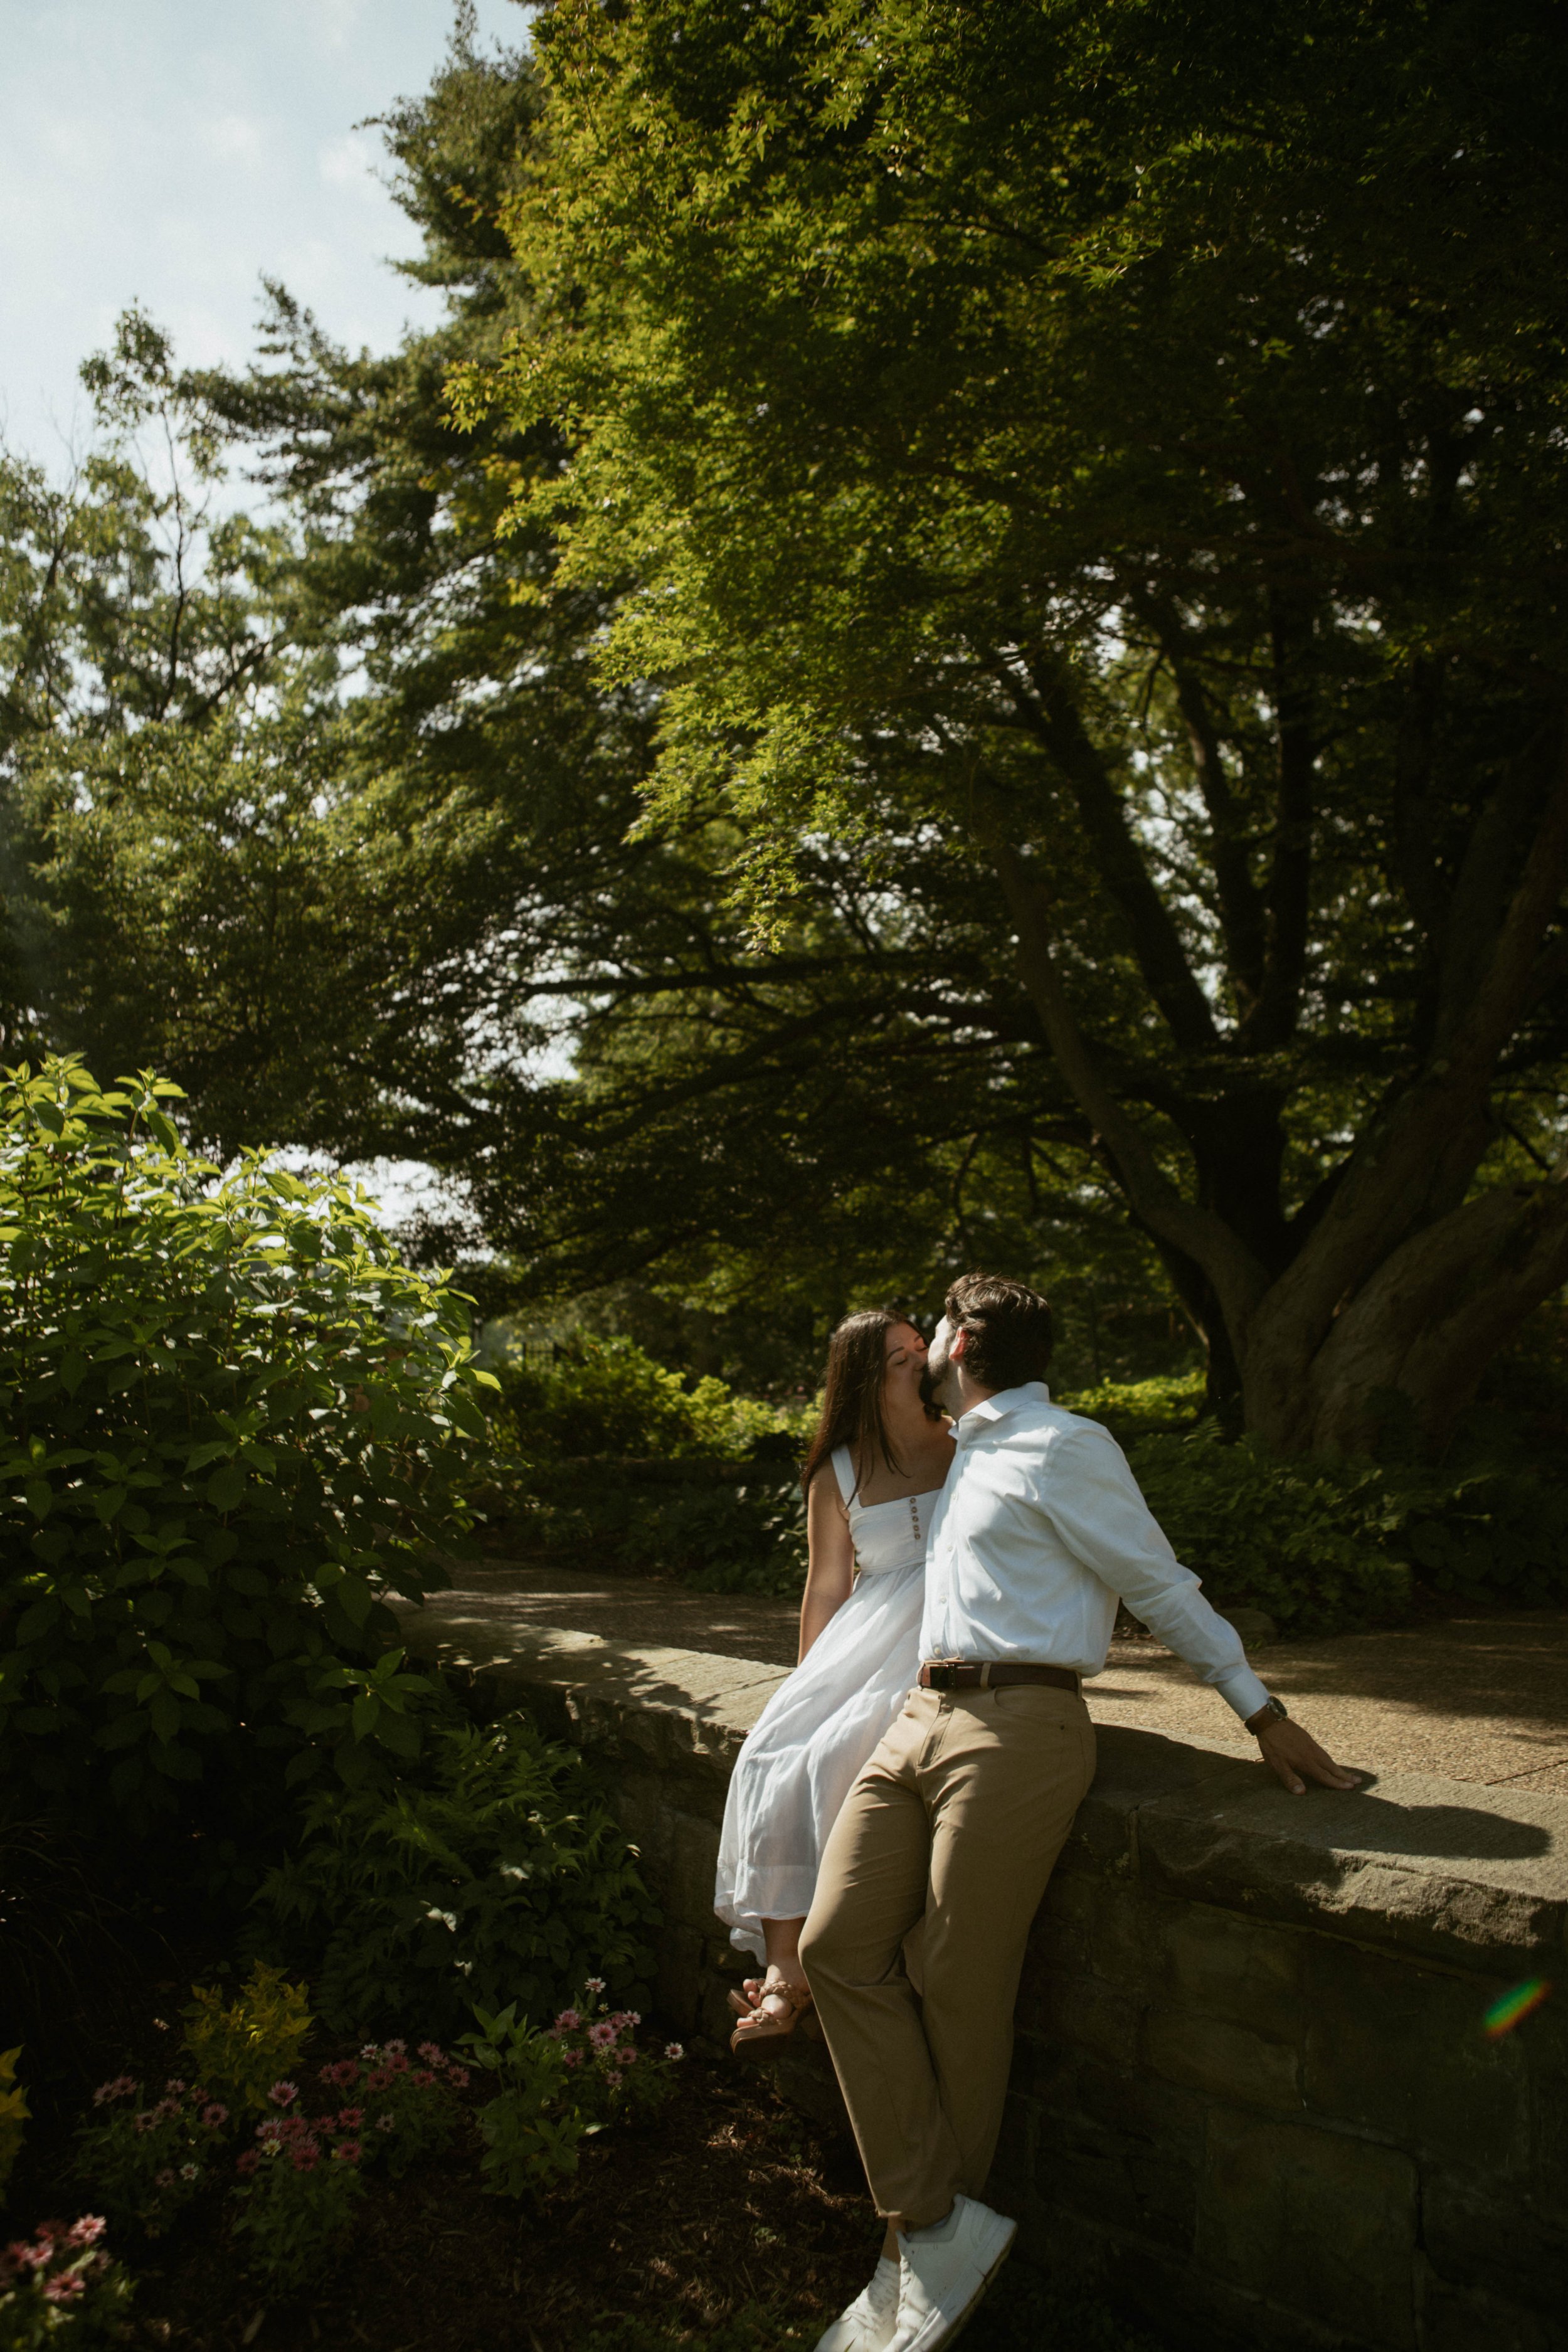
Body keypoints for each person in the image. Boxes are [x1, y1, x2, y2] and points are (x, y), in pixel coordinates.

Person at [800, 1273, 1360, 2352]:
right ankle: (934, 2220)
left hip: (1022, 1727)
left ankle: (913, 2255)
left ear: (964, 1340)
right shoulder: (965, 1449)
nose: (920, 1358)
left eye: (934, 1339)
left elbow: (1158, 1582)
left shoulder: (1064, 1443)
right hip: (920, 1715)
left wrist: (1261, 1709)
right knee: (836, 1946)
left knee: (959, 1976)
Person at [714, 1307, 955, 2053]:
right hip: (865, 1629)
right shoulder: (838, 1468)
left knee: (837, 1757)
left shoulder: (969, 1444)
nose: (919, 1361)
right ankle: (786, 1969)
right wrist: (808, 1682)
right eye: (898, 1359)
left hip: (945, 1619)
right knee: (775, 1752)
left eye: (919, 1348)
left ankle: (816, 1968)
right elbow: (826, 1586)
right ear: (863, 1379)